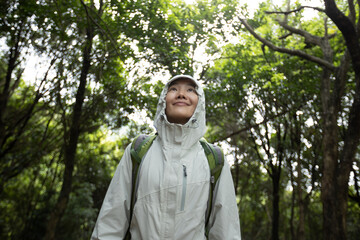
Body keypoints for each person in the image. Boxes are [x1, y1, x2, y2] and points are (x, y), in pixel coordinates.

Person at [91, 75, 241, 239]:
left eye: (190, 90)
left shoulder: (213, 159)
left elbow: (225, 229)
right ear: (163, 100)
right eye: (173, 89)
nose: (181, 94)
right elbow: (112, 220)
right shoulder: (138, 150)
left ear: (200, 103)